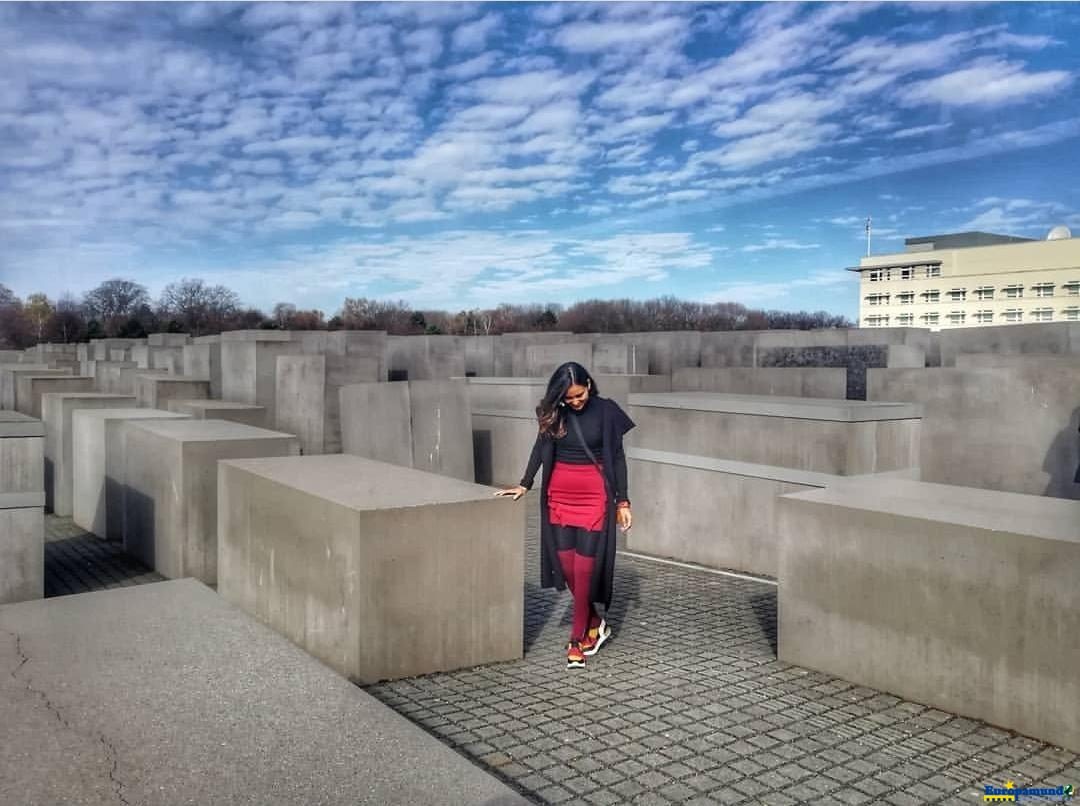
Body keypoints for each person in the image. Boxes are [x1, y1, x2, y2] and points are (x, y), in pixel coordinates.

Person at [494, 361, 635, 669]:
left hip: (594, 498)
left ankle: (576, 639)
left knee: (583, 571)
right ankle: (596, 623)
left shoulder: (607, 411)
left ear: (588, 384)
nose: (575, 402)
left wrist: (623, 501)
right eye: (569, 398)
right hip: (559, 497)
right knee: (568, 568)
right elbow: (538, 448)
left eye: (579, 395)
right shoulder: (555, 412)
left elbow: (619, 458)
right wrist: (524, 484)